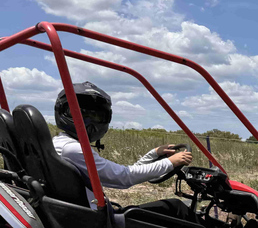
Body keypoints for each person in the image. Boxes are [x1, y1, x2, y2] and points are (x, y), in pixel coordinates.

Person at [52, 81, 193, 219]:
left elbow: (124, 173)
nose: (88, 121)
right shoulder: (71, 149)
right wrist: (170, 163)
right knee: (176, 208)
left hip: (87, 215)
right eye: (80, 114)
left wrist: (154, 154)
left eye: (96, 115)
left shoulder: (60, 144)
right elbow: (123, 178)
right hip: (97, 222)